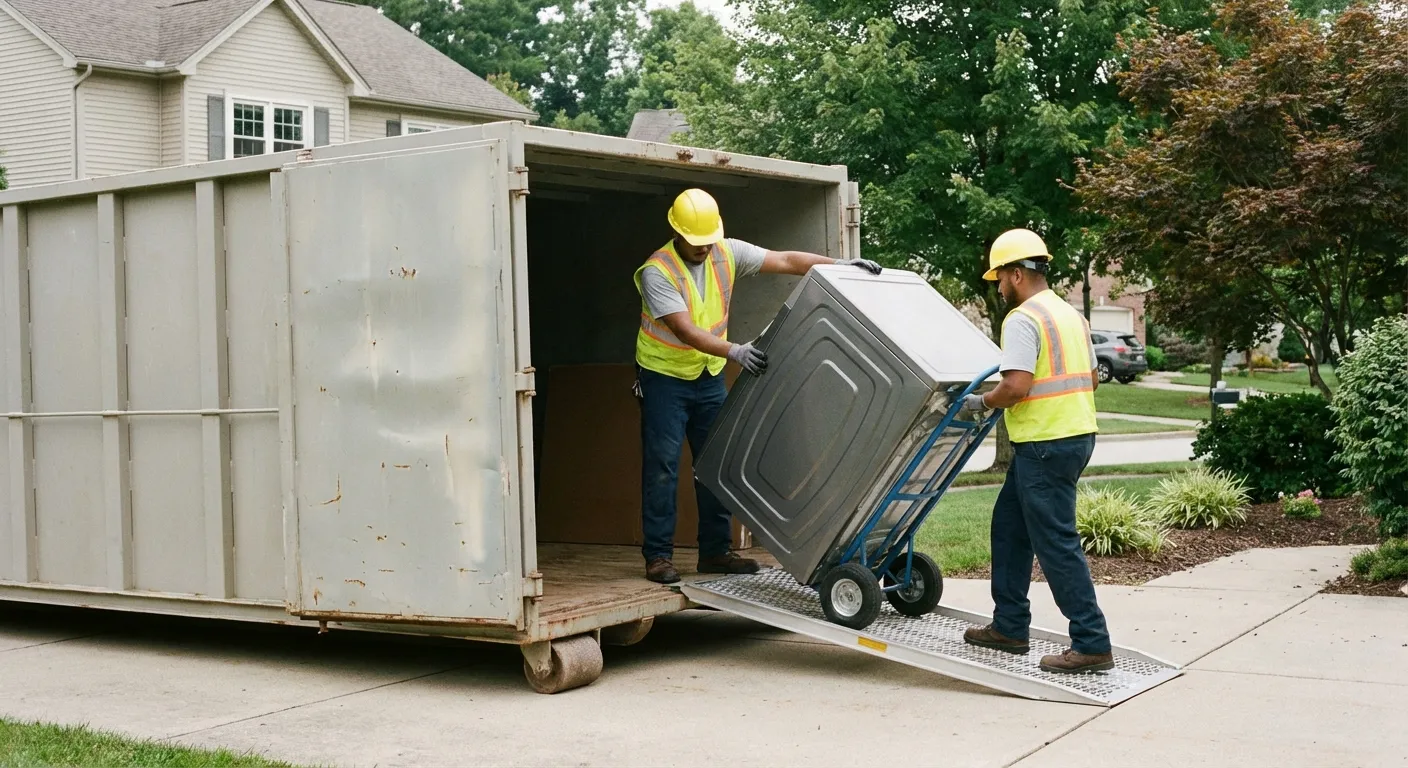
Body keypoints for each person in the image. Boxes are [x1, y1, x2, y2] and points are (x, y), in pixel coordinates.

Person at [634, 188, 881, 584]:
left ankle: (715, 551)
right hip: (664, 377)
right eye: (695, 242)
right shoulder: (656, 272)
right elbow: (686, 329)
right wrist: (736, 351)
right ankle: (658, 557)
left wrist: (839, 265)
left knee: (715, 463)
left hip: (708, 374)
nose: (703, 248)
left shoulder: (725, 251)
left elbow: (784, 259)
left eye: (708, 240)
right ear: (677, 233)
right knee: (662, 467)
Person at [958, 228, 1114, 674]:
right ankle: (1009, 626)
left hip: (1046, 444)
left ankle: (1091, 642)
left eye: (1000, 279)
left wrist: (982, 402)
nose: (999, 287)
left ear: (1015, 274)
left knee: (1056, 543)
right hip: (1071, 436)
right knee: (1009, 529)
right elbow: (1092, 378)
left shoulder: (1023, 319)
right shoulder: (1070, 316)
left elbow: (1016, 385)